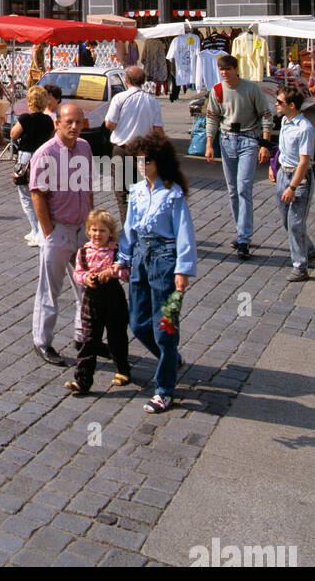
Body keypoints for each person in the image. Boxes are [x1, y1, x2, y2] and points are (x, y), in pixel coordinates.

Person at [116, 136, 197, 414]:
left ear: (158, 162)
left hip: (164, 258)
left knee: (165, 327)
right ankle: (171, 358)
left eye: (146, 160)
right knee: (138, 323)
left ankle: (164, 389)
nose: (140, 165)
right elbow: (129, 227)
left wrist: (182, 269)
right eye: (137, 159)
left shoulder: (172, 193)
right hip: (140, 256)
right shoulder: (137, 190)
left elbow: (184, 231)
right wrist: (122, 258)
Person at [29, 102, 94, 367]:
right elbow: (37, 196)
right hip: (59, 229)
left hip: (82, 230)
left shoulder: (85, 148)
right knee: (50, 291)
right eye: (69, 122)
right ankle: (42, 341)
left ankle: (82, 336)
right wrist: (49, 233)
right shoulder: (45, 154)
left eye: (78, 122)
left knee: (87, 289)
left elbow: (88, 187)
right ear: (57, 123)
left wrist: (92, 223)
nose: (75, 127)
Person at [205, 53, 275, 261]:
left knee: (244, 187)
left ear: (236, 69)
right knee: (233, 190)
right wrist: (210, 144)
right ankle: (240, 230)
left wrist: (264, 144)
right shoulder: (217, 90)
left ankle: (244, 238)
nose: (225, 73)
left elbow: (266, 115)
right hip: (227, 141)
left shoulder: (251, 88)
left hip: (249, 139)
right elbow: (212, 118)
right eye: (221, 70)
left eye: (228, 69)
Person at [65, 210, 131, 396]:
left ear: (110, 233)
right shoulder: (83, 251)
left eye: (102, 231)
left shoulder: (117, 252)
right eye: (93, 230)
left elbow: (127, 275)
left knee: (117, 337)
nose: (97, 235)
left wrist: (113, 272)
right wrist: (86, 279)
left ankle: (123, 370)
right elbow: (77, 273)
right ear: (88, 231)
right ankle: (83, 381)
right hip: (91, 299)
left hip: (113, 297)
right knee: (89, 340)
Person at [104, 64, 166, 226]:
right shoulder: (152, 101)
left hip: (122, 150)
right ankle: (143, 224)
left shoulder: (120, 98)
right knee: (143, 191)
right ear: (144, 81)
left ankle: (128, 227)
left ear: (126, 80)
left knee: (122, 194)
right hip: (144, 151)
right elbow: (158, 129)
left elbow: (110, 123)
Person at [269, 85, 315, 283]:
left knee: (295, 223)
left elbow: (304, 162)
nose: (276, 105)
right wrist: (274, 166)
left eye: (279, 102)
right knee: (287, 222)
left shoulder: (305, 128)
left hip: (299, 179)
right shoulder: (285, 122)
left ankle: (300, 266)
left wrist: (293, 187)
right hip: (283, 174)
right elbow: (282, 149)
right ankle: (310, 249)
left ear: (292, 105)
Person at [9, 85, 54, 247]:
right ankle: (38, 230)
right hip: (42, 157)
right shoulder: (49, 120)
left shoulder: (25, 118)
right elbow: (51, 138)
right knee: (41, 193)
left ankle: (36, 231)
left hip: (26, 157)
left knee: (26, 196)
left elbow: (13, 134)